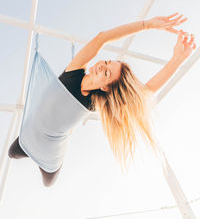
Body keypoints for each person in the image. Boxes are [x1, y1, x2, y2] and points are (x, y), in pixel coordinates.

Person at [8, 12, 196, 186]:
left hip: (51, 154)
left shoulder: (93, 103)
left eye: (106, 73)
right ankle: (24, 151)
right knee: (11, 152)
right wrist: (147, 24)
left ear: (105, 87)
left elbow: (146, 91)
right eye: (106, 62)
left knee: (48, 184)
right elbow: (102, 38)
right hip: (27, 138)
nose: (100, 66)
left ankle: (47, 173)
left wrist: (177, 59)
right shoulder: (74, 71)